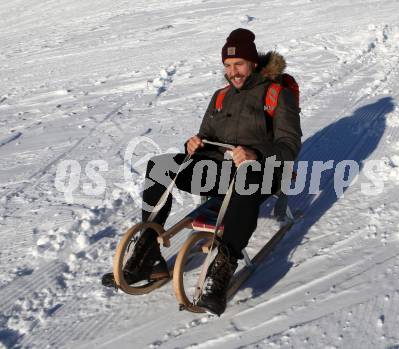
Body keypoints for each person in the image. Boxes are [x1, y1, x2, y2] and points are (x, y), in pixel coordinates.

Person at [102, 28, 302, 316]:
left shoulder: (276, 94)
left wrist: (255, 153)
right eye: (228, 66)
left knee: (245, 178)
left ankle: (221, 270)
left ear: (253, 63)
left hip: (262, 172)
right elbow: (207, 137)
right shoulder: (221, 97)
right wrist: (193, 144)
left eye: (239, 64)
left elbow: (290, 146)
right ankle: (148, 253)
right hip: (221, 171)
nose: (233, 72)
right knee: (160, 166)